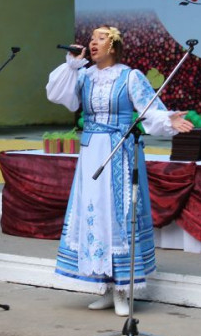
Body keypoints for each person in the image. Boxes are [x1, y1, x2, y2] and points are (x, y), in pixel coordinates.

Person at [46, 25, 193, 315]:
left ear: (113, 46)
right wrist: (72, 65)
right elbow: (57, 94)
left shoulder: (130, 76)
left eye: (100, 39)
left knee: (118, 215)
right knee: (94, 215)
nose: (93, 43)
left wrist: (167, 120)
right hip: (91, 153)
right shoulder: (83, 75)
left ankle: (123, 290)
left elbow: (149, 109)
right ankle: (104, 285)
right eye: (91, 39)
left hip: (119, 152)